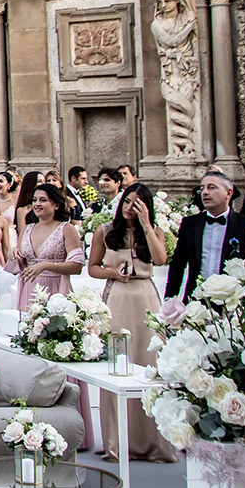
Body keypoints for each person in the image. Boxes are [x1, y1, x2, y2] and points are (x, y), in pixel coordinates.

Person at [86, 183, 175, 461]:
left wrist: (147, 224)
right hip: (118, 297)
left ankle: (152, 440)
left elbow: (160, 259)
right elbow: (92, 268)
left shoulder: (154, 232)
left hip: (146, 298)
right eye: (126, 201)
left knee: (149, 363)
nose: (129, 207)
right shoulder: (105, 232)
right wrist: (113, 271)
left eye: (136, 203)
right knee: (118, 363)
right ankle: (117, 441)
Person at [164, 171, 245, 302]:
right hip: (197, 297)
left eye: (212, 187)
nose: (205, 192)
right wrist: (170, 298)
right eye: (202, 188)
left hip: (232, 299)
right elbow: (178, 263)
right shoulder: (190, 223)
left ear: (229, 193)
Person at [9, 182, 82, 309]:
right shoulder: (27, 229)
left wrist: (46, 265)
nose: (37, 204)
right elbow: (17, 267)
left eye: (43, 200)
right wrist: (14, 254)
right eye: (34, 200)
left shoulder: (66, 229)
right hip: (29, 289)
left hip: (55, 289)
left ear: (56, 205)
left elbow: (77, 266)